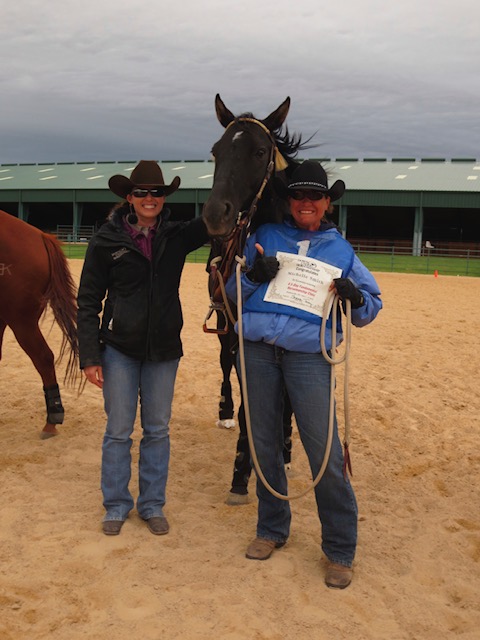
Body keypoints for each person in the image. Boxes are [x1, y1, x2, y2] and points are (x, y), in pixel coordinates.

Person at [225, 160, 382, 588]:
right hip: (256, 350)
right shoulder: (265, 237)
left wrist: (353, 296)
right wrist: (255, 277)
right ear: (288, 201)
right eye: (298, 196)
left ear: (327, 203)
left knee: (324, 449)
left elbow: (371, 306)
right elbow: (230, 292)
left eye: (315, 196)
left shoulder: (341, 250)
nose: (306, 202)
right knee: (262, 443)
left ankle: (339, 547)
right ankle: (271, 527)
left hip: (308, 356)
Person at [77, 160, 209, 536]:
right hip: (118, 349)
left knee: (157, 430)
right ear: (129, 197)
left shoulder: (179, 235)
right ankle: (117, 505)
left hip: (164, 350)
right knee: (118, 430)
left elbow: (219, 216)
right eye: (142, 192)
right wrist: (89, 356)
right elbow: (88, 301)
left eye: (157, 192)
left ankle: (152, 505)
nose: (150, 198)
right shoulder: (105, 240)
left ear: (164, 197)